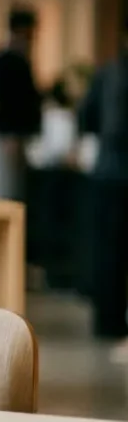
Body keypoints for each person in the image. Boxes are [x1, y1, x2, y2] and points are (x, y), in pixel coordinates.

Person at [78, 28, 128, 339]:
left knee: (109, 251)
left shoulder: (107, 72)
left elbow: (86, 117)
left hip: (107, 173)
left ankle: (107, 322)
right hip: (117, 173)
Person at [0, 10, 43, 201]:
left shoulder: (16, 60)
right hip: (5, 136)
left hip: (11, 135)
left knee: (11, 191)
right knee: (7, 193)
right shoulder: (6, 61)